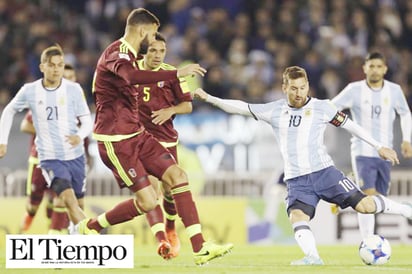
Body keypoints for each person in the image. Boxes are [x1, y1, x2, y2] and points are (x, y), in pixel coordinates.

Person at [194, 66, 412, 265]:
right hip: (297, 180)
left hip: (325, 173)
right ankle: (312, 257)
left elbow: (351, 126)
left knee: (365, 206)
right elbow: (241, 107)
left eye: (303, 87)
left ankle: (405, 210)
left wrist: (379, 146)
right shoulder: (274, 111)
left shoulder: (322, 108)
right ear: (284, 88)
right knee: (297, 216)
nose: (299, 93)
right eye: (294, 88)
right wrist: (210, 98)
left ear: (308, 85)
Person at [76, 8, 233, 265]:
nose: (154, 40)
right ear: (142, 30)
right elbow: (132, 76)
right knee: (148, 202)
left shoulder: (131, 54)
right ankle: (91, 226)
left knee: (178, 177)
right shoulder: (117, 53)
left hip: (137, 135)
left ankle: (200, 247)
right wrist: (176, 73)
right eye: (151, 33)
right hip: (116, 141)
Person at [0, 44, 92, 228]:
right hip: (49, 158)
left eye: (60, 65)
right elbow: (9, 111)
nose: (56, 69)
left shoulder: (74, 90)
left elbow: (88, 121)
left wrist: (79, 135)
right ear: (42, 67)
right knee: (67, 200)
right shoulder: (30, 90)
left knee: (77, 203)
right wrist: (2, 141)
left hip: (75, 156)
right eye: (52, 65)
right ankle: (90, 238)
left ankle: (77, 241)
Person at [332, 52, 412, 239]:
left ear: (385, 69)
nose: (375, 70)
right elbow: (332, 107)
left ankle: (346, 195)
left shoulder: (394, 90)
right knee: (368, 195)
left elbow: (405, 113)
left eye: (378, 66)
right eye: (371, 66)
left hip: (386, 154)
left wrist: (407, 139)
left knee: (376, 202)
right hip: (362, 152)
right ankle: (368, 240)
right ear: (364, 68)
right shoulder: (354, 90)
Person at [136, 32, 193, 258]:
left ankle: (170, 226)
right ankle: (162, 241)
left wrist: (171, 109)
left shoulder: (173, 74)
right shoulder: (131, 73)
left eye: (161, 51)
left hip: (166, 140)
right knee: (149, 193)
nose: (158, 55)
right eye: (153, 50)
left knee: (169, 190)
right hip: (140, 141)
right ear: (144, 52)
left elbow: (187, 106)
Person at [19, 64, 92, 234]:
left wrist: (86, 154)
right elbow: (25, 125)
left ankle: (58, 235)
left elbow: (84, 131)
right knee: (33, 205)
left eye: (71, 77)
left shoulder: (78, 104)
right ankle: (28, 222)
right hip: (40, 159)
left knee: (62, 199)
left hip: (67, 160)